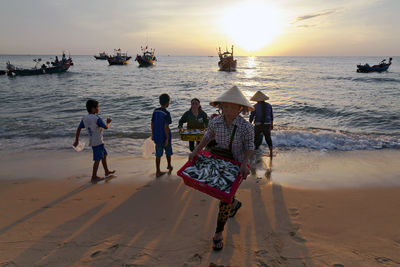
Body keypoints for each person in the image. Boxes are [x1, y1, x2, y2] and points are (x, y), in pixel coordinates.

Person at [189, 85, 254, 251]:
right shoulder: (215, 122)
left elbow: (250, 146)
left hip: (237, 165)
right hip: (219, 161)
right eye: (226, 106)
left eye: (234, 107)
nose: (229, 110)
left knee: (223, 198)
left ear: (240, 108)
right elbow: (207, 137)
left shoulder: (246, 127)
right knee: (222, 193)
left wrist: (245, 163)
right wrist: (196, 151)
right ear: (221, 106)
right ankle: (234, 203)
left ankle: (218, 233)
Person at [73, 99, 115, 184]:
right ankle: (94, 176)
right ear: (93, 109)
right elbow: (106, 127)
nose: (98, 108)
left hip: (93, 142)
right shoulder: (96, 118)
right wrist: (108, 122)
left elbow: (79, 128)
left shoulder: (85, 118)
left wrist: (76, 140)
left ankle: (106, 171)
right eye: (98, 107)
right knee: (97, 159)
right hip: (98, 142)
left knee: (104, 155)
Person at [152, 93, 173, 178]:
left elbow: (152, 123)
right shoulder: (166, 113)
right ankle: (169, 165)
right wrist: (167, 138)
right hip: (164, 136)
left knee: (158, 154)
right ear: (168, 102)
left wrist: (153, 134)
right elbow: (166, 127)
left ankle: (157, 171)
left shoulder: (155, 111)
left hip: (157, 135)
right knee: (168, 151)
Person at [249, 91, 274, 157]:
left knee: (255, 138)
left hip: (258, 125)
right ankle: (271, 152)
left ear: (256, 99)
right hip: (267, 124)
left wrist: (249, 124)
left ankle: (252, 151)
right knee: (268, 138)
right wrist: (271, 125)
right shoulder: (269, 105)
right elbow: (271, 116)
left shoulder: (254, 106)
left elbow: (251, 117)